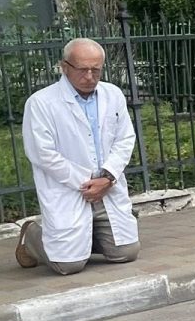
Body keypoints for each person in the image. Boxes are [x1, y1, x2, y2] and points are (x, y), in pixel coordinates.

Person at [15, 37, 140, 274]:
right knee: (67, 265)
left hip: (106, 188)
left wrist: (108, 177)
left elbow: (125, 138)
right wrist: (86, 181)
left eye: (96, 69)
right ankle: (31, 236)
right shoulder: (41, 103)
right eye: (83, 69)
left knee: (126, 252)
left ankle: (85, 239)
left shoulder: (113, 95)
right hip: (68, 190)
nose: (90, 76)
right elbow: (42, 153)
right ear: (65, 67)